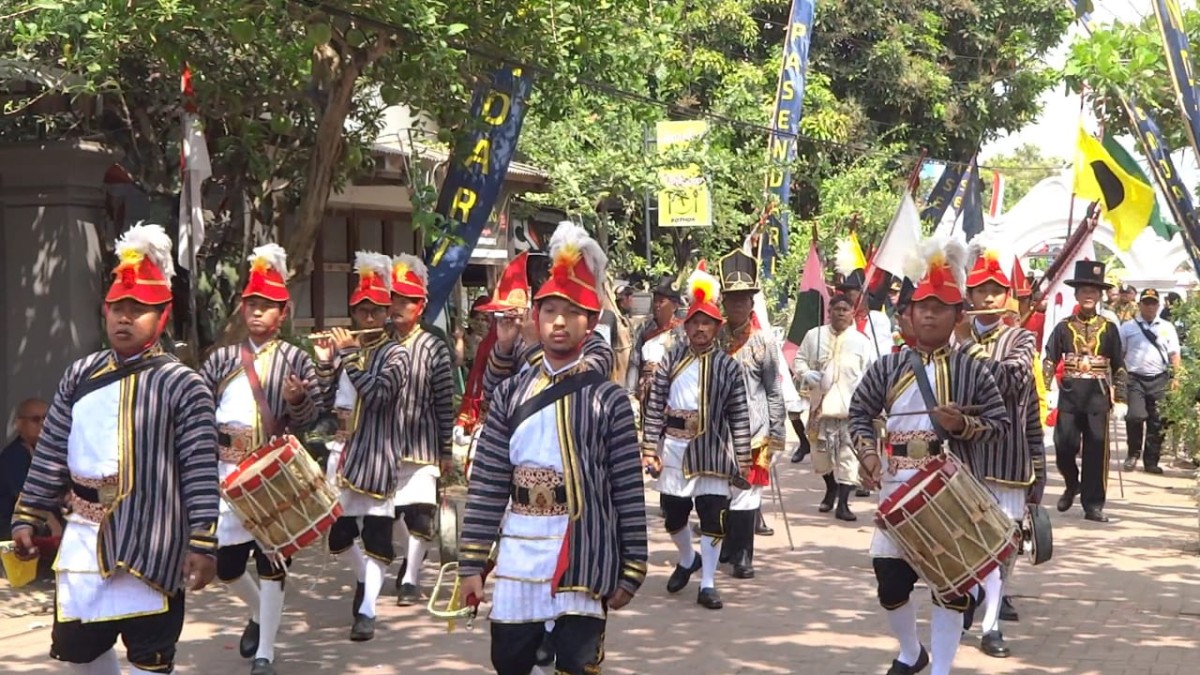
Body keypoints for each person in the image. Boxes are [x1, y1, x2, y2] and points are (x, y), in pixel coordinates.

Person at [10, 223, 219, 674]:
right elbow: (50, 452)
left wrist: (202, 541)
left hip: (154, 541)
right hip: (85, 537)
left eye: (138, 309)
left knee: (150, 659)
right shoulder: (78, 374)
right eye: (117, 308)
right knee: (81, 653)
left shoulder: (184, 385)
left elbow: (200, 470)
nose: (124, 318)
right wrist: (27, 515)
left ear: (162, 315)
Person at [457, 222, 647, 675]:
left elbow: (626, 487)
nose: (558, 322)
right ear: (535, 318)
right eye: (549, 311)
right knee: (511, 660)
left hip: (582, 548)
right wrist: (471, 561)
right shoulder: (509, 395)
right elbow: (487, 485)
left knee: (577, 664)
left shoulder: (610, 400)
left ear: (591, 320)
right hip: (521, 548)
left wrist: (633, 564)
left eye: (570, 311)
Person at [849, 235, 1009, 675]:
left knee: (950, 587)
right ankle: (909, 652)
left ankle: (941, 668)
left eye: (941, 307)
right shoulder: (887, 367)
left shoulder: (974, 369)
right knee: (890, 581)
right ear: (911, 313)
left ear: (958, 315)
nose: (931, 313)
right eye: (924, 306)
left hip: (952, 494)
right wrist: (867, 457)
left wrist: (961, 425)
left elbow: (1000, 425)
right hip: (895, 488)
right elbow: (859, 414)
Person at [198, 244, 322, 675]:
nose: (257, 313)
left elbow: (312, 418)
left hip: (273, 471)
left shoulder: (297, 358)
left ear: (282, 313)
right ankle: (257, 615)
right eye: (252, 304)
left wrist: (298, 398)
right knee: (228, 566)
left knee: (273, 564)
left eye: (267, 306)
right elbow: (198, 414)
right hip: (226, 472)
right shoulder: (220, 360)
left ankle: (266, 651)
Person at [641, 268, 751, 610]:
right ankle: (688, 557)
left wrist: (744, 460)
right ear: (686, 326)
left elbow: (740, 416)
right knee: (672, 515)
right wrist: (649, 448)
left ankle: (707, 583)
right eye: (695, 323)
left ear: (717, 327)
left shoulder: (729, 368)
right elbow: (655, 405)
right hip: (673, 448)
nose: (700, 328)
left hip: (713, 451)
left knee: (714, 517)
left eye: (707, 323)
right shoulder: (670, 360)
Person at [956, 247, 1047, 657]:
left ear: (1007, 295)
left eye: (996, 291)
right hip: (963, 461)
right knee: (961, 541)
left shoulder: (1021, 338)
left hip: (1008, 461)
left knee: (1001, 549)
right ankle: (964, 605)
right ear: (969, 297)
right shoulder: (952, 341)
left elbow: (1011, 382)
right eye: (980, 291)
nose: (989, 298)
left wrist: (1039, 466)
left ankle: (991, 624)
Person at [315, 251, 408, 641]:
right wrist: (323, 365)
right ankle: (365, 584)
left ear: (387, 313)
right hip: (341, 452)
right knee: (336, 534)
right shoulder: (345, 352)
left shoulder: (397, 353)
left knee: (377, 537)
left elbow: (380, 393)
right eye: (361, 311)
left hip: (376, 453)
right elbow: (323, 405)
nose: (367, 318)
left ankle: (367, 608)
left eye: (375, 311)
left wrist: (350, 356)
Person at [388, 254, 455, 605]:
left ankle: (411, 579)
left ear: (422, 305)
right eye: (395, 299)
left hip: (424, 444)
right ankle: (409, 559)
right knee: (390, 513)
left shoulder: (434, 346)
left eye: (407, 301)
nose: (399, 306)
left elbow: (445, 400)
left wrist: (446, 449)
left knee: (421, 512)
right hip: (384, 447)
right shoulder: (379, 343)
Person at [716, 249, 786, 578]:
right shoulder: (713, 340)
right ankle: (727, 545)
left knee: (746, 495)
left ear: (751, 304)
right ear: (724, 303)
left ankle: (744, 555)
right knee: (721, 493)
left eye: (744, 300)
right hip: (717, 432)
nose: (737, 306)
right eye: (732, 300)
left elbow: (774, 390)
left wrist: (777, 434)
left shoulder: (764, 343)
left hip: (754, 433)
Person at [1043, 261, 1126, 523]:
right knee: (1063, 445)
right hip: (1069, 395)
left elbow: (1120, 366)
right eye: (1084, 290)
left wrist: (1121, 398)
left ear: (1100, 295)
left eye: (1094, 290)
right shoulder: (1064, 327)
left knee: (1096, 450)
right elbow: (1048, 359)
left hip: (1098, 396)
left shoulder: (1109, 328)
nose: (1089, 294)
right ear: (1076, 294)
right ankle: (1071, 483)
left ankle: (1093, 504)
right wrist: (1045, 390)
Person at [792, 294, 877, 521]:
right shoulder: (814, 335)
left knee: (848, 456)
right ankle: (830, 488)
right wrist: (805, 373)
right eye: (836, 309)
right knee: (821, 457)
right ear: (829, 312)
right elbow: (798, 360)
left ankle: (843, 504)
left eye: (845, 309)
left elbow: (871, 374)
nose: (840, 313)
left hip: (851, 411)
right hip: (820, 410)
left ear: (852, 313)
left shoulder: (863, 342)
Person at [1119, 288, 1181, 474]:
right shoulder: (1127, 327)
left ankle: (1151, 460)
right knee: (1135, 416)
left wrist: (1177, 377)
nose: (1150, 306)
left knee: (1158, 421)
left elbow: (1175, 354)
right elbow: (1120, 353)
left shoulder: (1166, 327)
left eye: (1153, 303)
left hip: (1159, 379)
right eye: (1146, 302)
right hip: (1135, 379)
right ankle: (1133, 453)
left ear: (1158, 305)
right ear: (1139, 305)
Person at [626, 275, 685, 411]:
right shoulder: (645, 328)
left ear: (674, 306)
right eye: (655, 301)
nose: (656, 306)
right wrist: (630, 393)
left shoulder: (681, 331)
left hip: (671, 391)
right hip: (646, 391)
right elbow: (634, 361)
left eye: (661, 301)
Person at [2, 399, 47, 540]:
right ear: (19, 424)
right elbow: (28, 499)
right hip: (12, 535)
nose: (43, 424)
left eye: (46, 418)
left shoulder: (44, 454)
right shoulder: (13, 456)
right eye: (35, 419)